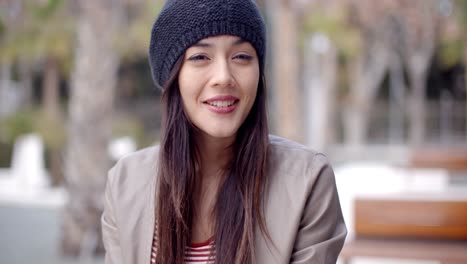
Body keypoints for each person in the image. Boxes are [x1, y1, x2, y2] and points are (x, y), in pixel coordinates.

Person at [101, 0, 347, 263]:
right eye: (200, 57)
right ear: (173, 77)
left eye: (241, 56)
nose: (223, 76)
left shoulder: (307, 181)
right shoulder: (125, 183)